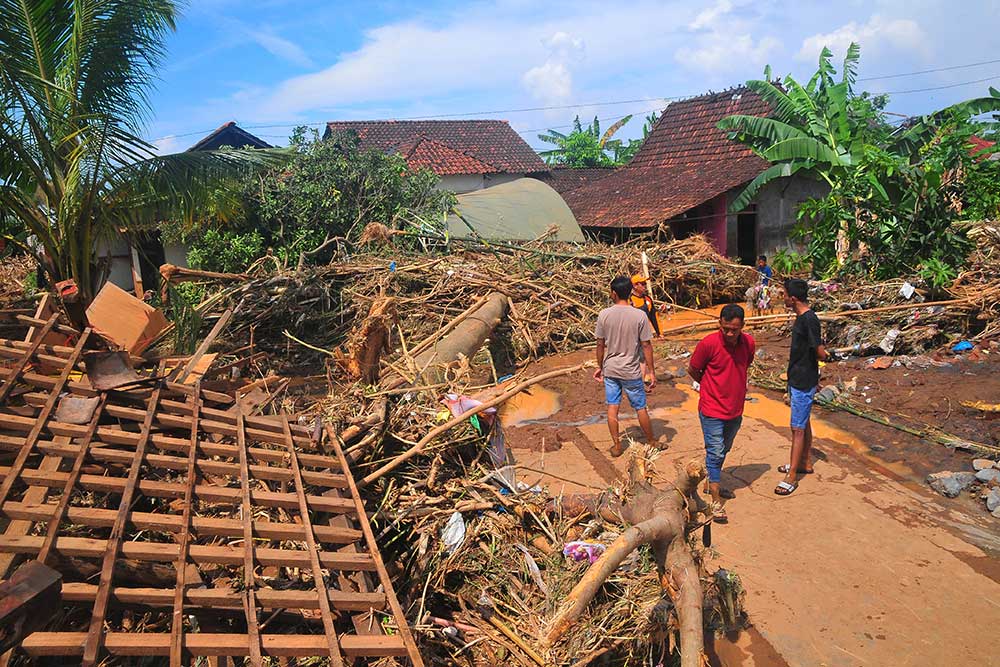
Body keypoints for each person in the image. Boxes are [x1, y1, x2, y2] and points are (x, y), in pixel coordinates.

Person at [688, 304, 755, 523]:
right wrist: (708, 387)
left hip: (735, 409)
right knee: (715, 453)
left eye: (734, 330)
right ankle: (715, 503)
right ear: (720, 324)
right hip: (712, 409)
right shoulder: (708, 344)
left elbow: (745, 365)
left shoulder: (748, 343)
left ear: (742, 327)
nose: (729, 333)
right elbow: (693, 369)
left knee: (724, 448)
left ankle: (710, 482)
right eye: (725, 328)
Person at [594, 276, 658, 458]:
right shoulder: (639, 315)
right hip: (631, 370)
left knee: (612, 407)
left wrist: (600, 366)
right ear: (630, 292)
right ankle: (651, 440)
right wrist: (652, 371)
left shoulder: (604, 315)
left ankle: (616, 445)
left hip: (611, 369)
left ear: (613, 293)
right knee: (640, 407)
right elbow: (646, 345)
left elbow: (600, 345)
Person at [777, 278, 828, 496]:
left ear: (793, 298)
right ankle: (804, 462)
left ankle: (791, 477)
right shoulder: (802, 318)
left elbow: (819, 351)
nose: (783, 298)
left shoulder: (809, 319)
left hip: (802, 380)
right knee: (803, 422)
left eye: (784, 294)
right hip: (798, 377)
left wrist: (825, 363)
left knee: (796, 429)